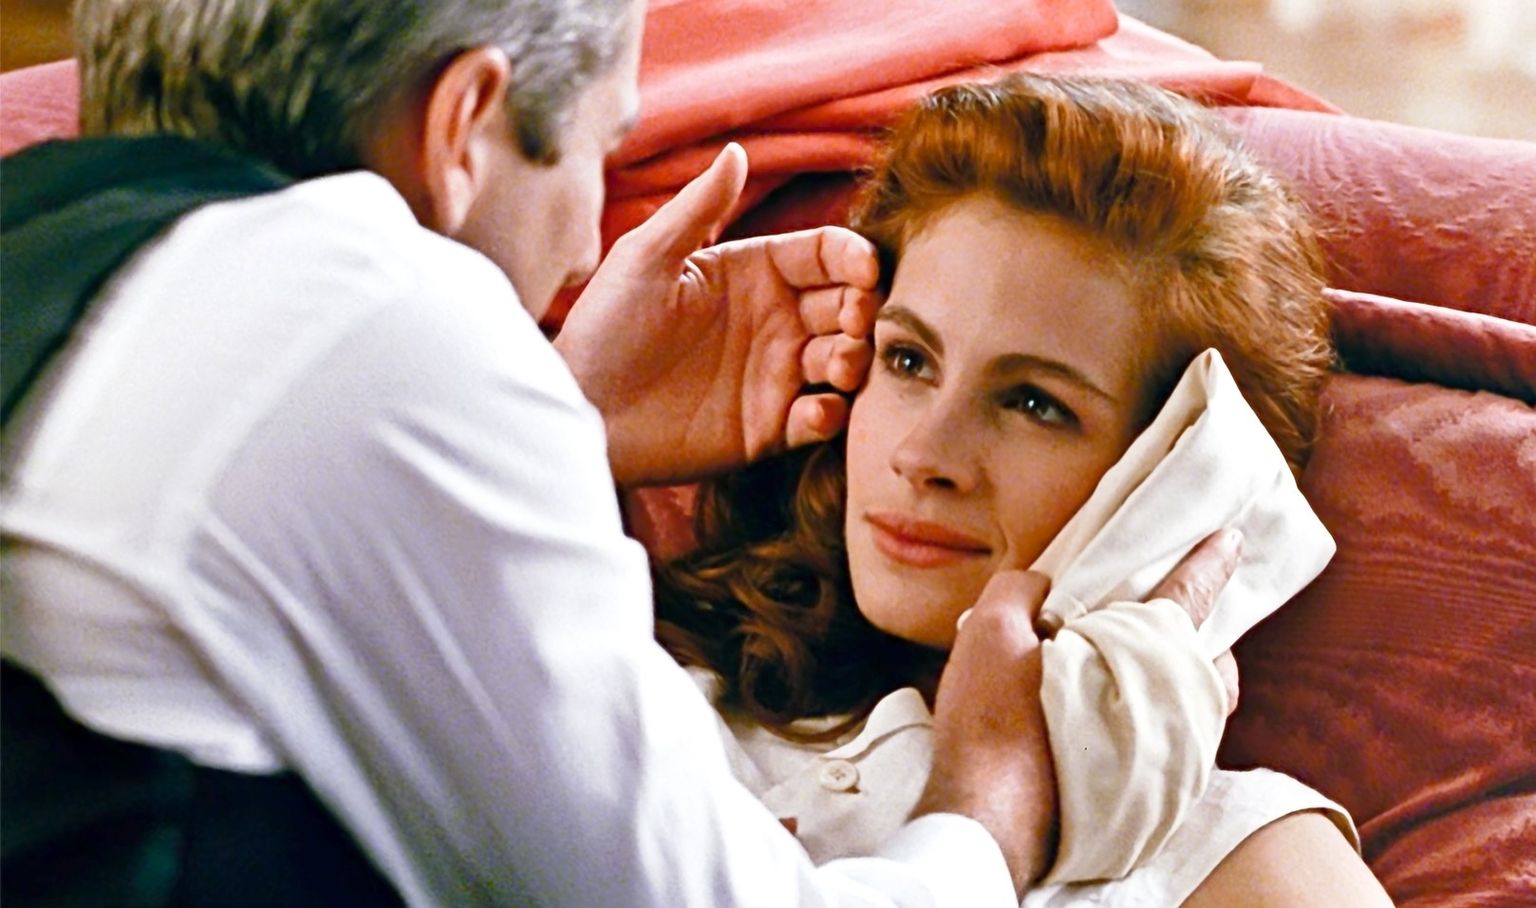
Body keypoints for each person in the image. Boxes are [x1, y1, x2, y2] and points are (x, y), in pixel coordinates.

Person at [0, 3, 1240, 907]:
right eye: (599, 153)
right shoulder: (379, 322)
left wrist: (561, 408)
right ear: (463, 126)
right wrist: (990, 802)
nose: (588, 241)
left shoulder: (44, 238)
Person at [653, 73, 1396, 906]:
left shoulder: (1248, 863)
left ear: (1178, 476)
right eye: (907, 360)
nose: (924, 455)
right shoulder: (647, 692)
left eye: (1034, 404)